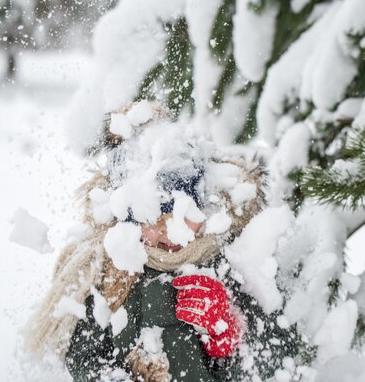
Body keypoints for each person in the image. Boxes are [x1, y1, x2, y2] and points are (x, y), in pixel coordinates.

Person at [23, 101, 299, 381]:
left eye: (171, 214)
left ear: (200, 205)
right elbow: (84, 358)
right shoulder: (114, 272)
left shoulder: (238, 258)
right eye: (144, 221)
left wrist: (229, 337)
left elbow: (282, 361)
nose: (159, 234)